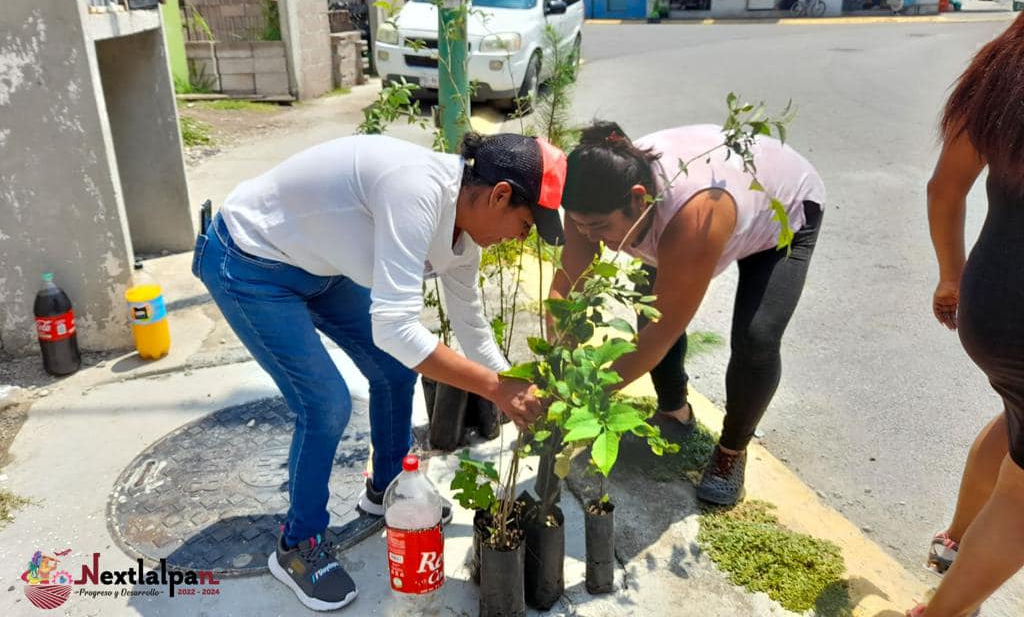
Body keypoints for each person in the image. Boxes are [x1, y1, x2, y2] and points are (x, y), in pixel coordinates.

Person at [192, 132, 564, 611]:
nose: (522, 238)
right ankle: (298, 545)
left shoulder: (463, 242)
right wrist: (494, 388)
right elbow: (395, 328)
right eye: (527, 223)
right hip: (249, 259)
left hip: (319, 268)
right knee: (325, 404)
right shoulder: (416, 190)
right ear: (500, 194)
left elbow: (472, 327)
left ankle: (389, 488)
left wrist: (512, 387)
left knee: (394, 371)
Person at [552, 121, 825, 506]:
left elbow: (658, 337)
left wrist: (580, 399)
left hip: (782, 209)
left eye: (599, 227)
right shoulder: (588, 193)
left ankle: (731, 452)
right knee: (647, 309)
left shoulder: (693, 218)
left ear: (638, 198)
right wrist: (556, 364)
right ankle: (674, 415)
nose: (591, 236)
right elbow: (568, 286)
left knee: (756, 338)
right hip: (698, 209)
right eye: (581, 226)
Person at [908, 13, 1024, 617]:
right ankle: (942, 612)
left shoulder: (1006, 62)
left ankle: (956, 542)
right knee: (1023, 499)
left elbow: (944, 187)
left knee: (1013, 423)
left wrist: (950, 277)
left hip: (994, 305)